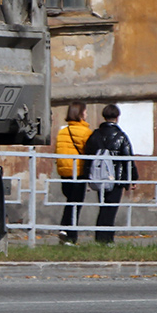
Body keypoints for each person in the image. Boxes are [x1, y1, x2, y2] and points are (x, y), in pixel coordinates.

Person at [83, 104, 138, 244]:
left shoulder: (95, 135)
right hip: (116, 179)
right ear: (117, 117)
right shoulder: (121, 136)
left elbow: (87, 156)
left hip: (98, 176)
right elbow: (128, 159)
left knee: (103, 206)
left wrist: (87, 177)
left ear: (104, 116)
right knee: (111, 208)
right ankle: (106, 239)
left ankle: (100, 237)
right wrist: (132, 179)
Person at [54, 101, 92, 245]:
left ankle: (65, 230)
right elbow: (88, 154)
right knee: (76, 204)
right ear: (81, 114)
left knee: (70, 201)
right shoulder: (85, 132)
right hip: (78, 172)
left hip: (64, 172)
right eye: (85, 112)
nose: (86, 114)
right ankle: (70, 235)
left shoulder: (62, 131)